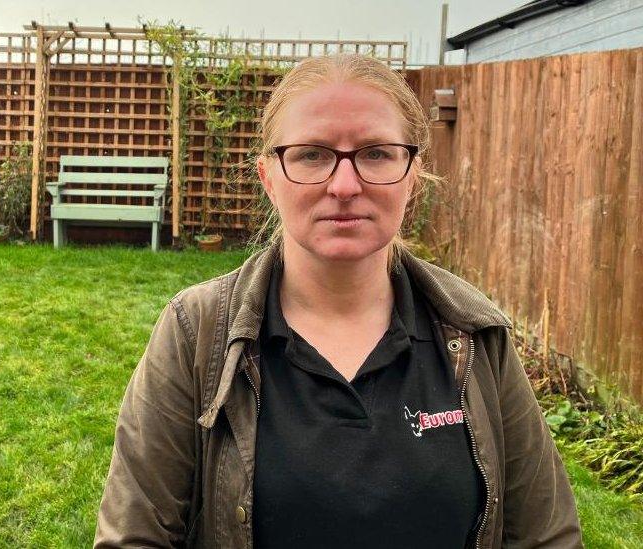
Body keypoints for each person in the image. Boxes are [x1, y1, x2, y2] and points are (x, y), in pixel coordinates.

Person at [94, 53, 583, 548]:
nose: (345, 186)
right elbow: (135, 537)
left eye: (376, 153)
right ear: (268, 176)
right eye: (311, 154)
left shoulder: (475, 332)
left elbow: (547, 537)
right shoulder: (196, 332)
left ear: (412, 174)